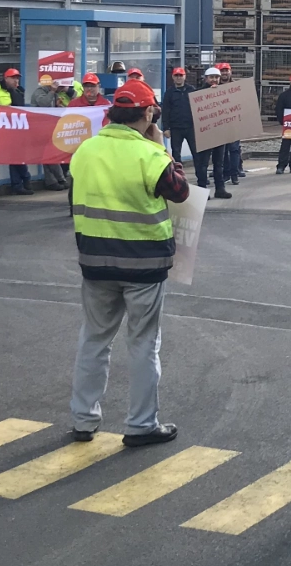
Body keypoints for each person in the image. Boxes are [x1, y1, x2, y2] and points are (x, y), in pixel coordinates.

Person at [67, 79, 190, 447]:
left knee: (93, 341)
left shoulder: (85, 150)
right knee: (143, 344)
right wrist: (162, 148)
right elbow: (180, 191)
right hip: (142, 265)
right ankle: (140, 424)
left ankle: (83, 420)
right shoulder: (150, 155)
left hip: (94, 263)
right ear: (149, 113)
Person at [0, 68, 33, 195]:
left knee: (17, 156)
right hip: (3, 130)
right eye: (13, 78)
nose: (16, 80)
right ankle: (23, 180)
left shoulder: (19, 91)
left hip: (17, 129)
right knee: (15, 156)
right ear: (6, 78)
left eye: (17, 78)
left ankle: (21, 183)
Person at [191, 67, 233, 199]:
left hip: (219, 133)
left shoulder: (225, 92)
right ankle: (202, 189)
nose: (214, 80)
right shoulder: (198, 93)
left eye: (217, 77)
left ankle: (220, 189)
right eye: (212, 77)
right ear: (206, 78)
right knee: (203, 163)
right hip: (204, 133)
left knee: (219, 163)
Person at [27, 72, 69, 191]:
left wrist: (58, 107)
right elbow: (44, 104)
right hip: (39, 129)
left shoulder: (54, 94)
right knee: (49, 155)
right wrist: (52, 92)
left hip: (49, 128)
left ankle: (53, 181)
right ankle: (58, 179)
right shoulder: (39, 92)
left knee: (48, 156)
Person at [160, 66, 198, 178]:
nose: (178, 78)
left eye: (180, 75)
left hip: (191, 127)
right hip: (176, 128)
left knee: (197, 153)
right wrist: (166, 128)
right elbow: (166, 111)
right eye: (176, 75)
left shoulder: (191, 90)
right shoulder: (169, 93)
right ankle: (179, 177)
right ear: (172, 77)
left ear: (184, 76)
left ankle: (200, 176)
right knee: (176, 154)